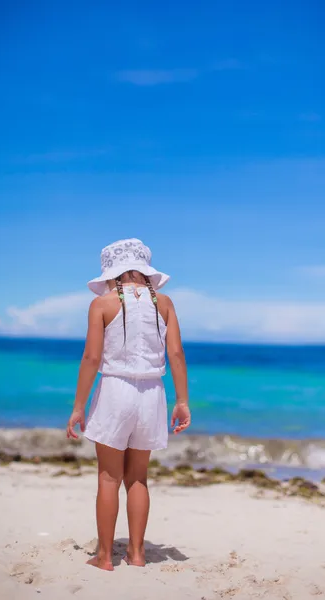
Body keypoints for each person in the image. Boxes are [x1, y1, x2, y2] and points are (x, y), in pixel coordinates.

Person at [66, 238, 190, 571]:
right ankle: (137, 554)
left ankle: (105, 556)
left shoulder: (102, 305)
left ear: (113, 271)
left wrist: (78, 407)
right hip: (152, 393)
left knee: (108, 478)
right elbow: (176, 354)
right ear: (144, 269)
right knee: (138, 478)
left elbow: (92, 357)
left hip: (115, 391)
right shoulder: (164, 303)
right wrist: (182, 400)